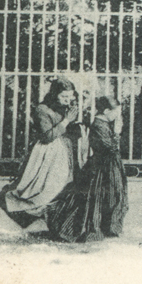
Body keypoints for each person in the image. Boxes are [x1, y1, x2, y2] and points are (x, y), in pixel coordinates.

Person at [0, 78, 83, 228]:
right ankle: (24, 213)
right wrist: (67, 121)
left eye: (70, 96)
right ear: (54, 94)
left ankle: (54, 220)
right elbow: (47, 136)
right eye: (63, 96)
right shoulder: (42, 109)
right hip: (48, 152)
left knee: (62, 185)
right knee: (44, 188)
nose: (68, 100)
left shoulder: (65, 108)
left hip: (63, 152)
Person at [46, 96, 129, 243]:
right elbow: (110, 148)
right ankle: (96, 228)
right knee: (98, 199)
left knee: (113, 197)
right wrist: (117, 132)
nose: (118, 116)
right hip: (102, 168)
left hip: (109, 166)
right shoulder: (98, 125)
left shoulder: (104, 123)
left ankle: (110, 228)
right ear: (106, 111)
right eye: (116, 112)